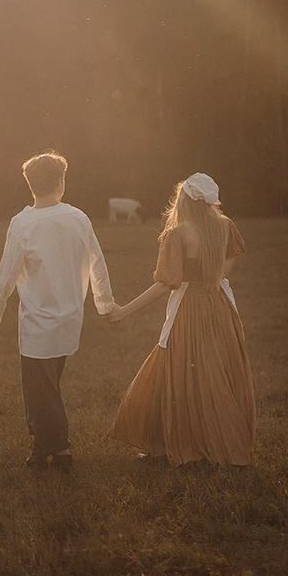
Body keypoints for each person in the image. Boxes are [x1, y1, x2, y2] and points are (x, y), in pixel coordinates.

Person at [106, 173, 255, 467]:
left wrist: (124, 310)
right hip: (220, 307)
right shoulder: (225, 227)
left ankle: (182, 446)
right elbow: (225, 273)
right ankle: (209, 444)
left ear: (183, 199)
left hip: (190, 310)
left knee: (181, 373)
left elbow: (165, 284)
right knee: (215, 373)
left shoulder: (178, 234)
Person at [0, 152, 116, 472]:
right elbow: (98, 264)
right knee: (46, 388)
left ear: (30, 185)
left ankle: (62, 451)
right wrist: (105, 303)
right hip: (69, 319)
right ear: (60, 182)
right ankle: (42, 450)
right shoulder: (78, 218)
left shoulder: (23, 223)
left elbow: (6, 277)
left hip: (38, 325)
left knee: (40, 392)